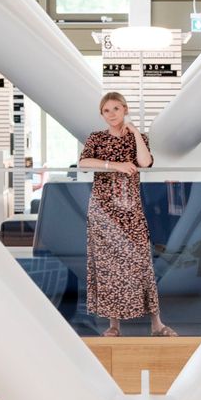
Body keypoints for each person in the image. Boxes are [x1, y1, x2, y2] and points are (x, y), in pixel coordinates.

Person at [78, 91, 176, 337]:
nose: (111, 114)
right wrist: (115, 165)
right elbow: (84, 163)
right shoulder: (97, 138)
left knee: (141, 263)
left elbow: (145, 162)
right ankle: (114, 325)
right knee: (110, 266)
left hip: (130, 210)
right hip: (103, 210)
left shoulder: (137, 137)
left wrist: (133, 132)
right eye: (106, 111)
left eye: (115, 109)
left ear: (125, 109)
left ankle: (156, 324)